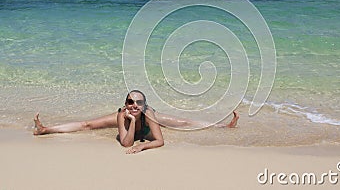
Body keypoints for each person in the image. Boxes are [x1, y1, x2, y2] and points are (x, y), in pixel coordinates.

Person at [33, 90, 239, 153]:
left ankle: (223, 125)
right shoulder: (122, 115)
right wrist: (130, 121)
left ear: (144, 105)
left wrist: (143, 148)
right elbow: (126, 143)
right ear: (125, 104)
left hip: (148, 127)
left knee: (182, 123)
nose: (134, 105)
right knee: (88, 125)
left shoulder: (149, 113)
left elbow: (160, 141)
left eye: (138, 103)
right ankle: (45, 129)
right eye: (130, 102)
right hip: (130, 125)